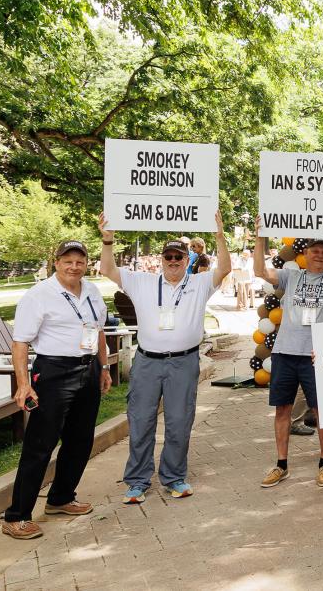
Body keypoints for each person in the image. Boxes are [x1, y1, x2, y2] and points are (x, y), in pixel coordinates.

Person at [98, 213, 231, 503]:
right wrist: (107, 239)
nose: (173, 261)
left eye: (178, 257)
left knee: (180, 420)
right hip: (148, 361)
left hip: (183, 362)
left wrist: (219, 234)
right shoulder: (142, 281)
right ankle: (137, 481)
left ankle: (174, 477)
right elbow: (106, 268)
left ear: (187, 260)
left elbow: (225, 269)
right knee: (141, 419)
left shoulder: (199, 283)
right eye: (168, 256)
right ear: (162, 259)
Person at [2, 240, 112, 540]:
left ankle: (60, 499)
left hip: (88, 369)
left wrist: (103, 369)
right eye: (68, 261)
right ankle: (17, 516)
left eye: (79, 261)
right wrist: (24, 384)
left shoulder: (91, 291)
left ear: (86, 263)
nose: (74, 266)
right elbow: (21, 343)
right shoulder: (38, 295)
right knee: (40, 445)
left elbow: (98, 331)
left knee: (80, 440)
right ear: (56, 262)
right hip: (53, 372)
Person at [253, 218, 323, 488]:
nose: (319, 255)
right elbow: (260, 271)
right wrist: (259, 237)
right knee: (283, 409)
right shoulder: (291, 276)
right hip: (285, 352)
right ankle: (281, 464)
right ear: (305, 254)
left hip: (318, 355)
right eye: (315, 250)